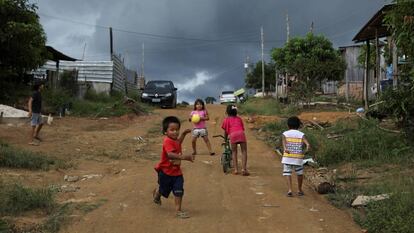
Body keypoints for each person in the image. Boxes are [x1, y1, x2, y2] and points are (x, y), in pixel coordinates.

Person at [153, 116, 194, 218]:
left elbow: (178, 142)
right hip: (166, 172)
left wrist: (184, 134)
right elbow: (170, 154)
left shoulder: (174, 140)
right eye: (172, 130)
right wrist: (184, 157)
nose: (175, 132)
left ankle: (178, 211)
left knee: (178, 190)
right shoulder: (167, 141)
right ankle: (157, 194)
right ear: (165, 132)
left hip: (176, 172)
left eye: (177, 130)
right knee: (163, 189)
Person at [281, 116, 312, 197]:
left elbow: (284, 143)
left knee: (287, 173)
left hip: (287, 157)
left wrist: (285, 149)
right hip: (298, 158)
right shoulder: (301, 134)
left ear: (288, 125)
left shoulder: (285, 133)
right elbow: (307, 143)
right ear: (299, 125)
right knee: (299, 173)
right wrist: (307, 147)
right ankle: (299, 189)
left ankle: (290, 190)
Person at [221, 104, 249, 176]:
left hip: (233, 135)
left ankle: (236, 170)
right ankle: (243, 169)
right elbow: (242, 128)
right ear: (235, 111)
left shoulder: (226, 120)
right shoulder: (239, 119)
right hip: (241, 134)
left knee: (234, 152)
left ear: (227, 112)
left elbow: (226, 132)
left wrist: (225, 139)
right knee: (244, 151)